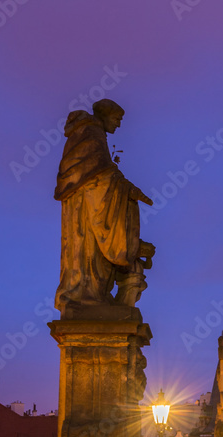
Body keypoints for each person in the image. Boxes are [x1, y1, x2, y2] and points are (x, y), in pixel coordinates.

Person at [54, 99, 154, 314]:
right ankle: (86, 296)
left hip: (90, 202)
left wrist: (123, 186)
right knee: (87, 252)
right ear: (105, 115)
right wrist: (128, 189)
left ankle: (93, 294)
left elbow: (102, 171)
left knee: (92, 257)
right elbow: (98, 173)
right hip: (86, 207)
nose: (118, 125)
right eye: (117, 119)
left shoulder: (91, 133)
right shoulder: (91, 133)